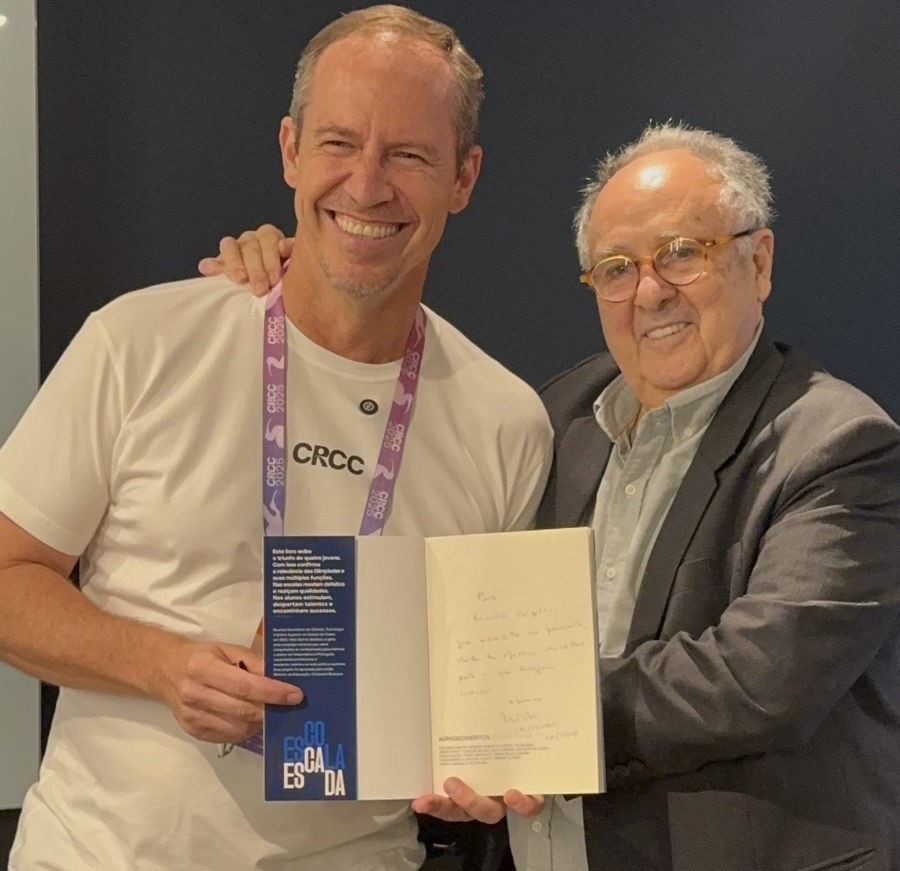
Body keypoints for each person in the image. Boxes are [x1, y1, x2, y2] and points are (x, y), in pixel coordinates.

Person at [211, 122, 900, 871]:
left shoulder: (840, 446)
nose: (650, 292)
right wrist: (309, 270)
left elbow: (756, 679)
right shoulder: (556, 415)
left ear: (757, 261)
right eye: (617, 268)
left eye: (681, 253)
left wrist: (499, 719)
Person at [0, 6, 552, 870]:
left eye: (409, 155)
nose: (366, 184)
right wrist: (159, 665)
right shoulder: (139, 341)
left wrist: (476, 769)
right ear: (291, 150)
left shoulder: (506, 423)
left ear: (464, 177)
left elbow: (482, 704)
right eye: (340, 143)